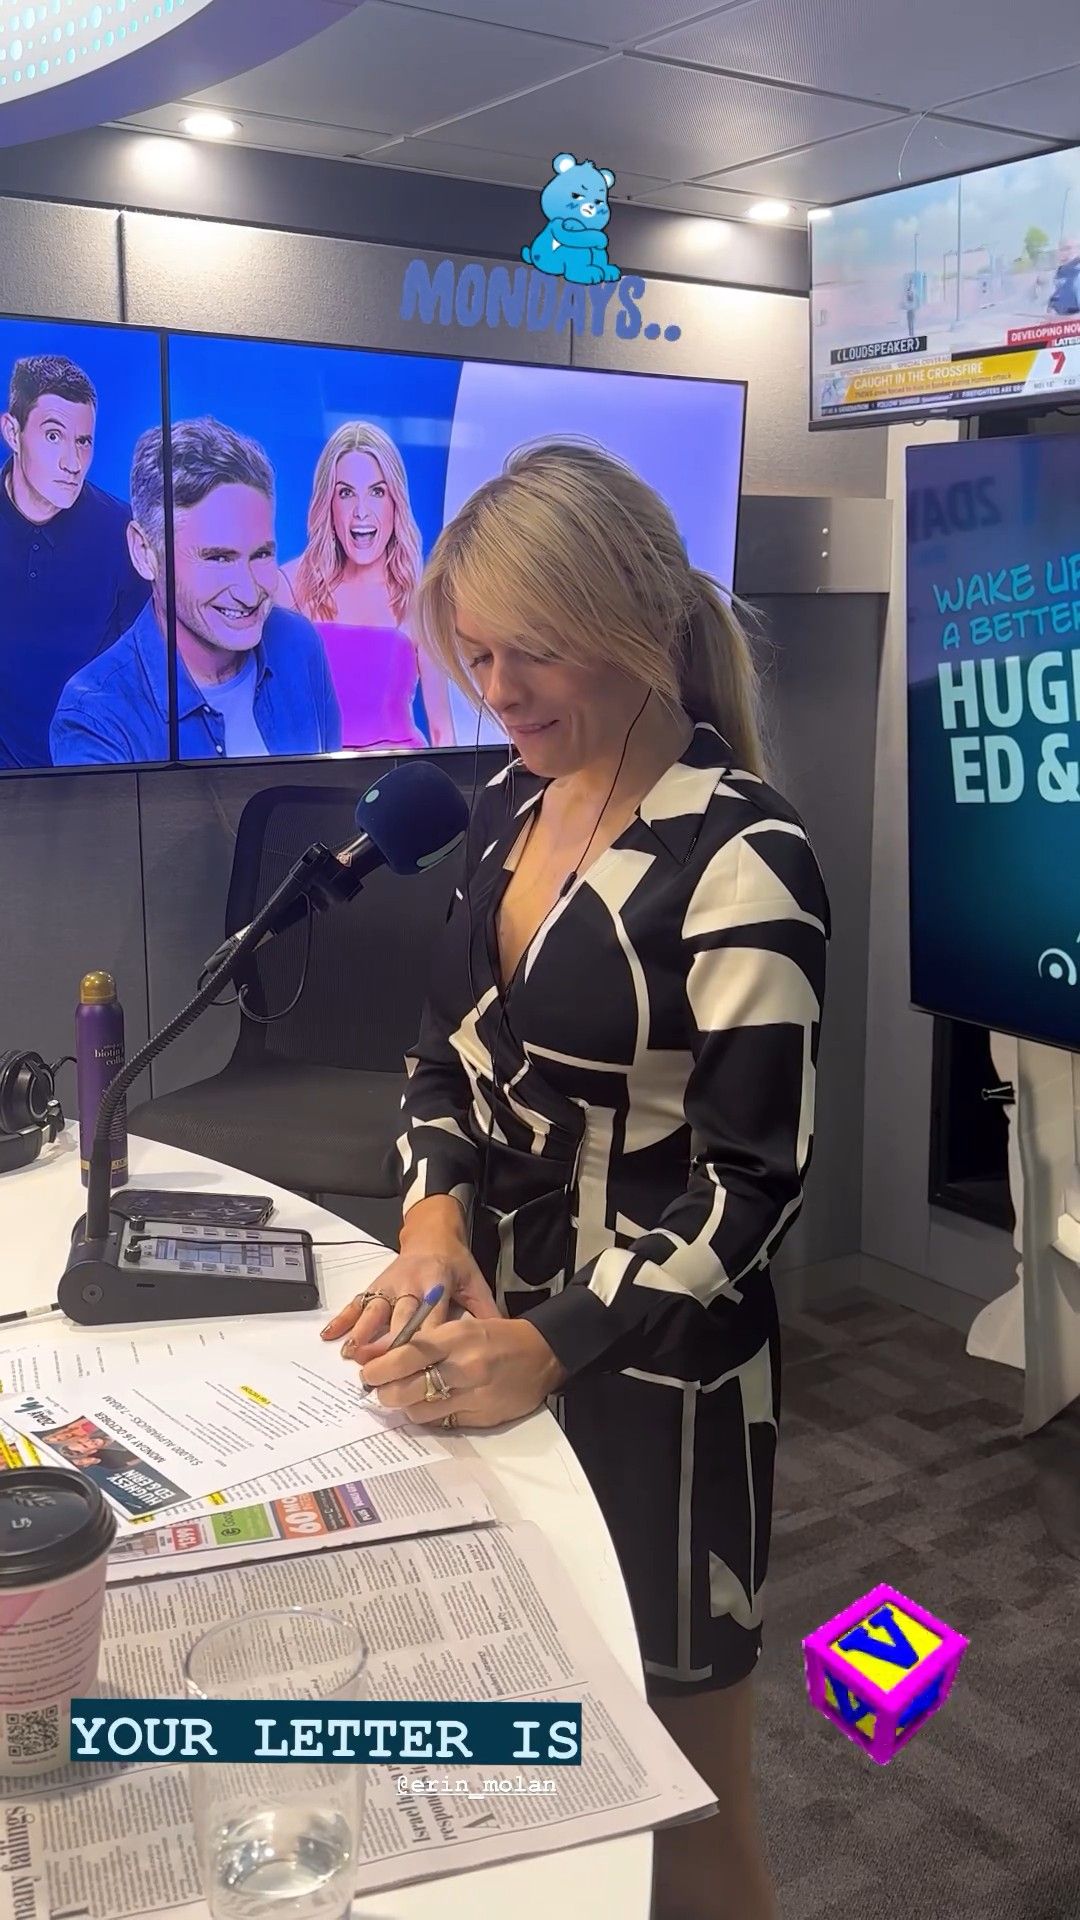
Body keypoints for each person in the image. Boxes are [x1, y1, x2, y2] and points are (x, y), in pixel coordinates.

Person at [322, 440, 831, 1920]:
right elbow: (441, 1059)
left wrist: (549, 1344)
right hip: (485, 1342)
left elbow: (753, 1184)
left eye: (531, 650)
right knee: (537, 1775)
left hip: (665, 1388)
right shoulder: (506, 805)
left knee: (687, 1807)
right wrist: (433, 1224)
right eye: (476, 653)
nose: (499, 688)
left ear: (642, 619)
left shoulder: (747, 852)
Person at [50, 418, 342, 765]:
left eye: (262, 554)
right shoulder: (95, 718)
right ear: (145, 553)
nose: (249, 594)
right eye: (218, 558)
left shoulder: (299, 644)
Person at [0, 353, 149, 768]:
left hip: (91, 774)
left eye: (83, 441)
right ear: (12, 432)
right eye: (53, 436)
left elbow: (141, 672)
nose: (72, 463)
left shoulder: (122, 532)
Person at [278, 421, 454, 750]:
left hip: (401, 773)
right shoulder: (289, 587)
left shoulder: (420, 599)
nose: (361, 512)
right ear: (329, 505)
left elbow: (442, 732)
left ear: (395, 502)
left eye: (377, 492)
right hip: (316, 775)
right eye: (346, 493)